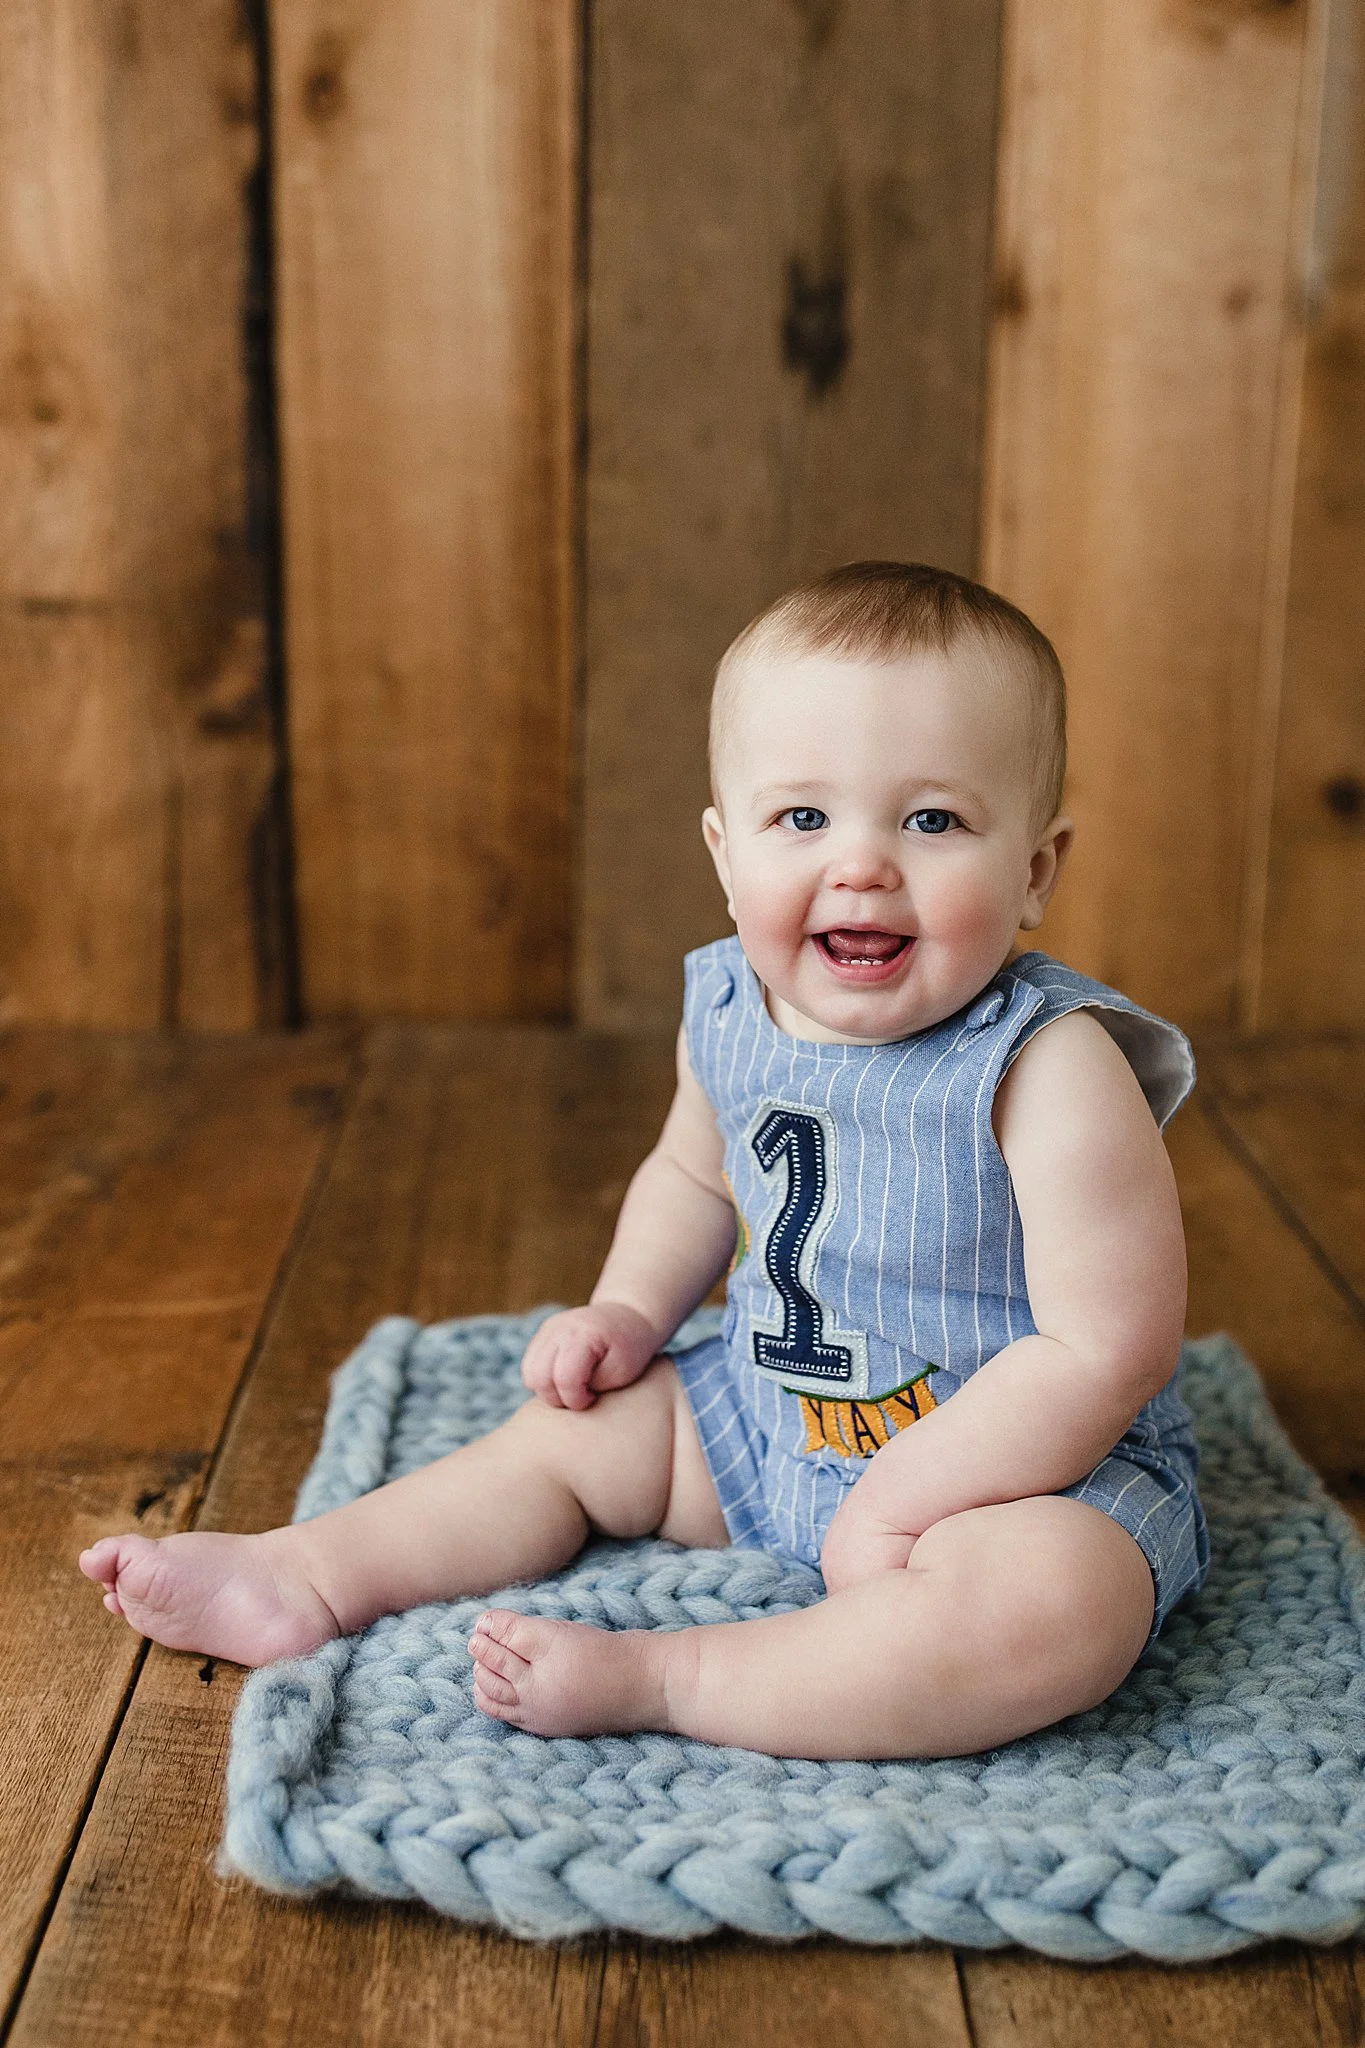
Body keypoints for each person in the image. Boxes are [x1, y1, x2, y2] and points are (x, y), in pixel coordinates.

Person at [80, 561, 1208, 1761]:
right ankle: (304, 1569)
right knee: (575, 1428)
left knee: (1058, 1607)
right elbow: (691, 1175)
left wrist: (907, 1496)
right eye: (804, 817)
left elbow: (1109, 1347)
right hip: (771, 1416)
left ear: (1035, 868)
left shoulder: (1049, 1066)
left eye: (932, 819)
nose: (863, 864)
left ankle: (681, 1674)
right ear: (727, 855)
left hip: (1014, 1474)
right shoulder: (729, 1004)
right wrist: (628, 1303)